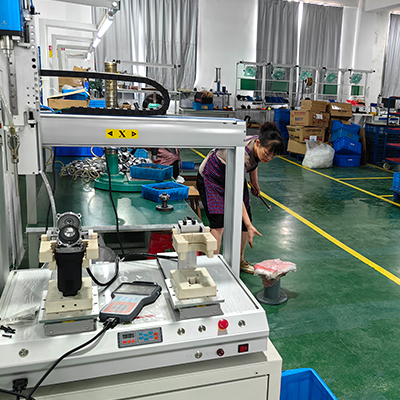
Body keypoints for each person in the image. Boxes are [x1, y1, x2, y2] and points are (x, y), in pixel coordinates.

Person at [196, 122, 284, 274]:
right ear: (258, 143)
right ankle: (212, 265)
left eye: (272, 156)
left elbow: (254, 163)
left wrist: (255, 185)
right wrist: (250, 226)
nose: (269, 158)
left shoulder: (257, 145)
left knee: (245, 218)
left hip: (233, 174)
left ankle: (239, 260)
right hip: (212, 177)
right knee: (218, 222)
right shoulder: (242, 155)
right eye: (267, 153)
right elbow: (237, 196)